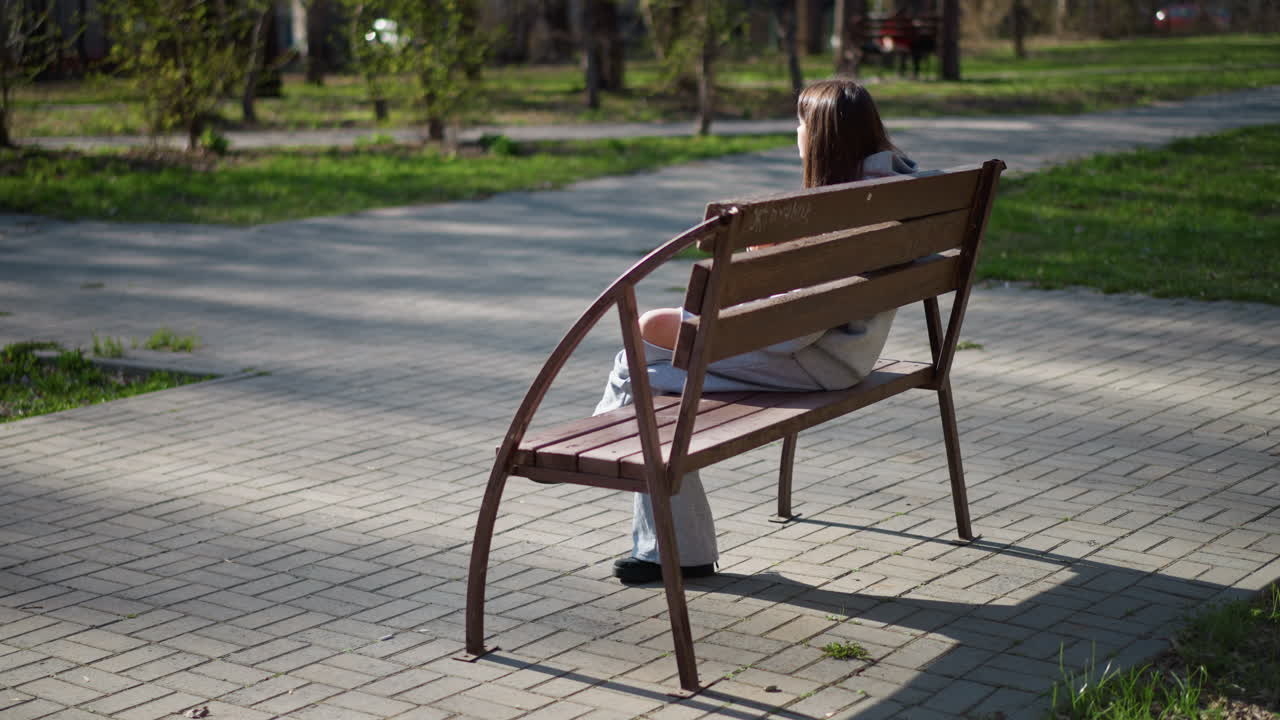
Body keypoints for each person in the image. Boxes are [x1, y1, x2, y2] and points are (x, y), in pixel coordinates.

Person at [598, 78, 920, 584]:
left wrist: (743, 295)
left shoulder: (834, 211)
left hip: (812, 364)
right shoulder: (889, 192)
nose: (795, 132)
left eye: (800, 123)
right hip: (848, 353)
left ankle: (654, 518)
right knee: (645, 351)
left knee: (637, 368)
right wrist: (784, 263)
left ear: (819, 136)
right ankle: (660, 521)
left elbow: (788, 335)